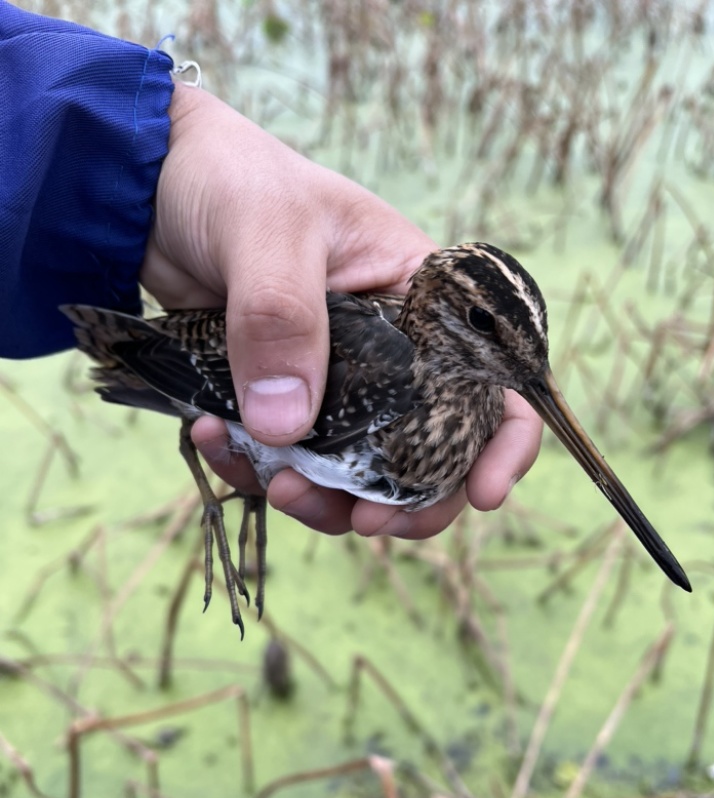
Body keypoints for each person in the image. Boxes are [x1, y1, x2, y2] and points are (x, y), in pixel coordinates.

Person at [0, 1, 542, 543]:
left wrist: (158, 155)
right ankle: (224, 498)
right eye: (488, 329)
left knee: (266, 463)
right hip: (204, 358)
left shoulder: (478, 402)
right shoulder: (390, 381)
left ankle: (251, 485)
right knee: (221, 424)